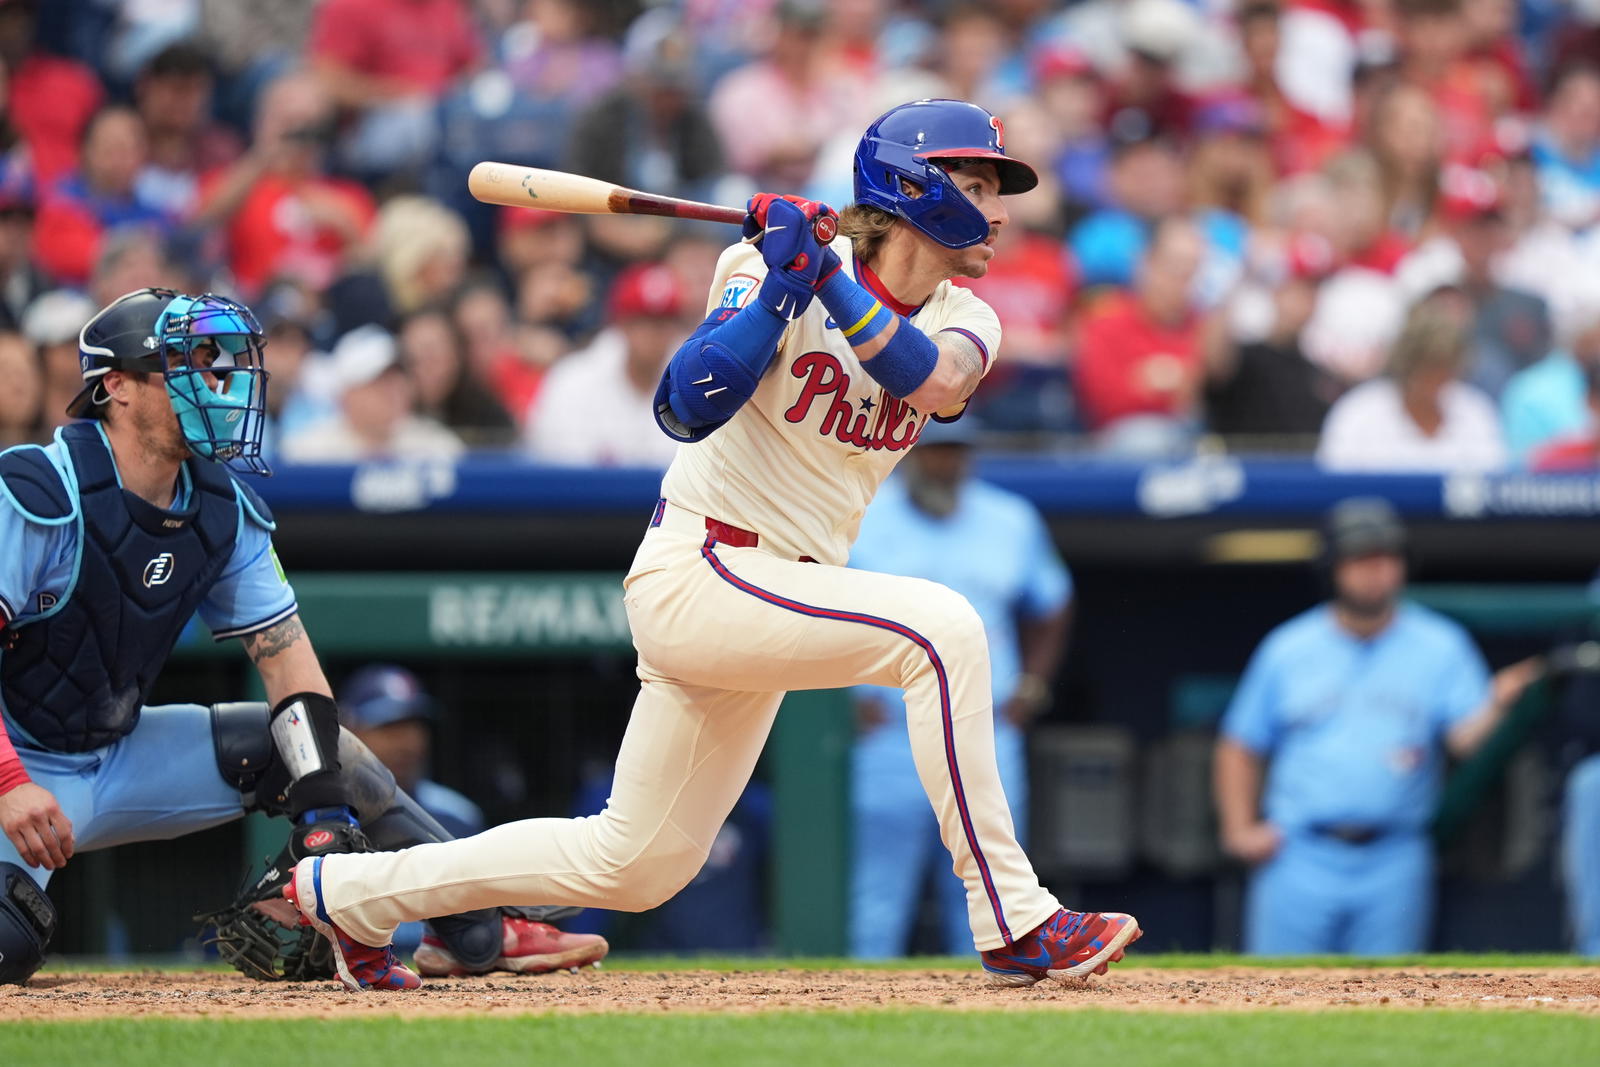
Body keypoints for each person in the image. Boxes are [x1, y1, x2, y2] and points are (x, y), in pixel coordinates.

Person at [278, 99, 1143, 992]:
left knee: (634, 864)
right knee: (943, 628)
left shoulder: (967, 316)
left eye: (998, 188)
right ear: (912, 191)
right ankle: (1014, 917)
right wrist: (778, 289)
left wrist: (829, 284)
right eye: (975, 184)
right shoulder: (757, 263)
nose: (999, 210)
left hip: (778, 595)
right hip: (706, 567)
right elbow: (683, 407)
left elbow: (935, 384)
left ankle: (348, 891)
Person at [0, 287, 599, 986]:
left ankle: (481, 928)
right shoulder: (38, 489)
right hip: (15, 763)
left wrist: (324, 814)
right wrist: (10, 781)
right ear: (118, 388)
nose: (215, 386)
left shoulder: (223, 507)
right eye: (186, 367)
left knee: (323, 750)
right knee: (9, 944)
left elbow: (292, 671)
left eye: (216, 367)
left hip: (121, 753)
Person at [1213, 498, 1538, 954]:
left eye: (1386, 558)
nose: (1376, 572)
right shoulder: (1288, 648)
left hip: (1395, 854)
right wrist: (1238, 829)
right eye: (1362, 560)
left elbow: (1466, 740)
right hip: (1300, 852)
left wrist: (1502, 702)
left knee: (1391, 1003)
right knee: (1275, 1003)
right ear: (1334, 567)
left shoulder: (1440, 644)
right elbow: (1240, 744)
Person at [847, 416, 1072, 957]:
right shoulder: (859, 517)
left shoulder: (1009, 519)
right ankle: (851, 1020)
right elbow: (812, 610)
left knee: (985, 892)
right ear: (907, 454)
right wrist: (839, 699)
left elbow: (1053, 603)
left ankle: (980, 1017)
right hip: (887, 734)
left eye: (955, 452)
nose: (945, 463)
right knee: (876, 895)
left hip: (986, 733)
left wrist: (1034, 685)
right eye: (933, 452)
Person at [337, 664, 482, 961]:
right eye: (389, 728)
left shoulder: (458, 817)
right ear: (350, 732)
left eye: (414, 726)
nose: (408, 741)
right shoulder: (324, 817)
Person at [1317, 294, 1508, 472]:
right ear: (1407, 364)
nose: (1438, 379)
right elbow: (1335, 487)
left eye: (1447, 368)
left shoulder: (1476, 411)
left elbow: (1491, 485)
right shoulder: (1357, 412)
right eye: (1429, 368)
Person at [524, 261, 686, 468]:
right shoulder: (571, 381)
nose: (651, 335)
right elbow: (553, 471)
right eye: (641, 321)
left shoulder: (697, 383)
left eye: (662, 322)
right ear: (620, 323)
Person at [280, 325, 465, 463]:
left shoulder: (438, 447)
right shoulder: (308, 453)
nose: (393, 388)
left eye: (398, 375)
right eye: (379, 380)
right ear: (348, 394)